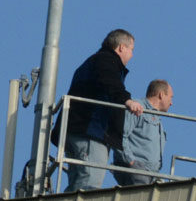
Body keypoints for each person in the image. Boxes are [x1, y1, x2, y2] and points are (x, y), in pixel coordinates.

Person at [54, 29, 144, 192]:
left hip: (76, 129)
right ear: (122, 47)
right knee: (90, 181)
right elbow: (109, 81)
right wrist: (127, 100)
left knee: (76, 181)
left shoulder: (95, 61)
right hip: (90, 131)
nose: (132, 55)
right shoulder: (106, 61)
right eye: (132, 49)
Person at [112, 80, 173, 186]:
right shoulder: (137, 108)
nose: (171, 102)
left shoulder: (156, 118)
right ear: (161, 94)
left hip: (150, 175)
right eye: (170, 97)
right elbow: (119, 135)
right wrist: (132, 163)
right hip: (136, 171)